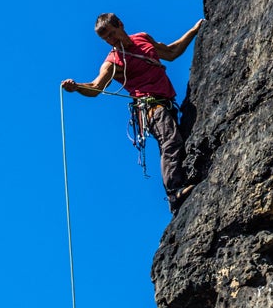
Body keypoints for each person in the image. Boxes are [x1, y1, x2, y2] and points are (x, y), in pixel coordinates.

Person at [62, 13, 203, 214]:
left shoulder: (142, 38)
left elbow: (171, 52)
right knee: (170, 141)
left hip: (167, 103)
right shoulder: (113, 61)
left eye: (112, 33)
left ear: (120, 24)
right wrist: (76, 87)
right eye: (107, 39)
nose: (112, 40)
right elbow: (96, 87)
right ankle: (174, 192)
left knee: (177, 140)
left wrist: (194, 31)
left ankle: (179, 185)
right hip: (151, 107)